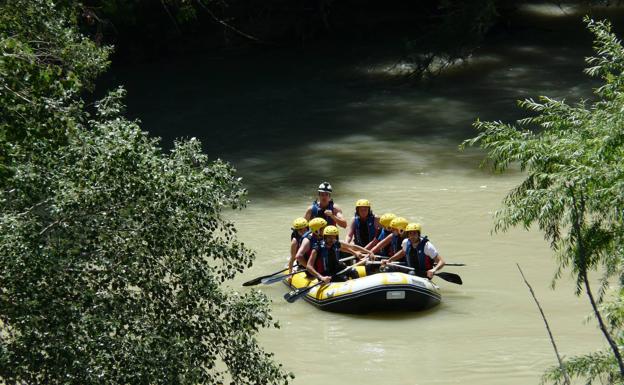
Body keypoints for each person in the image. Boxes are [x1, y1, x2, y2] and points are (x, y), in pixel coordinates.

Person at [306, 225, 371, 283]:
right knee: (343, 279)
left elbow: (353, 247)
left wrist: (369, 252)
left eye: (334, 237)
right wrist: (321, 277)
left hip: (336, 268)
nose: (332, 240)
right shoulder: (317, 248)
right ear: (325, 237)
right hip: (325, 273)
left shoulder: (336, 243)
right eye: (329, 238)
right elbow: (309, 266)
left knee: (353, 272)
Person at [381, 223, 445, 279]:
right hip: (410, 268)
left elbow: (441, 262)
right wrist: (389, 260)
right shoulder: (406, 242)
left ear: (418, 234)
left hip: (424, 272)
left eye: (414, 233)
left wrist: (433, 270)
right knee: (387, 268)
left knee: (411, 274)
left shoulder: (427, 246)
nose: (412, 236)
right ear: (407, 235)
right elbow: (402, 253)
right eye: (410, 234)